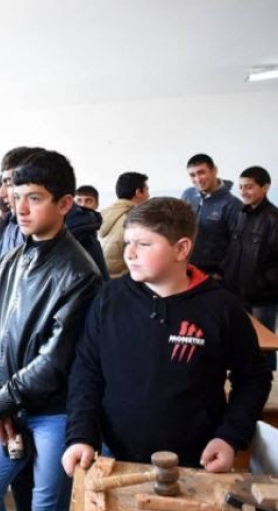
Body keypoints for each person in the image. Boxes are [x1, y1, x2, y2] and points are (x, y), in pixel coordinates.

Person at [63, 197, 271, 475]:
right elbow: (86, 369)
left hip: (196, 460)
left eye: (143, 244)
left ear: (181, 248)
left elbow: (254, 377)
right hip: (114, 453)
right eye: (128, 242)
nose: (129, 253)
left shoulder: (222, 308)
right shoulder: (109, 298)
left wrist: (230, 436)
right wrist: (80, 435)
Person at [0, 149, 102, 511]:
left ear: (65, 204)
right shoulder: (11, 258)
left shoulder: (81, 273)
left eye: (35, 198)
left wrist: (2, 400)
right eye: (17, 195)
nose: (20, 208)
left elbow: (56, 360)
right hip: (10, 403)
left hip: (55, 411)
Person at [222, 166, 278, 369]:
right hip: (238, 294)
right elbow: (233, 251)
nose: (243, 192)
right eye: (241, 187)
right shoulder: (241, 214)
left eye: (249, 187)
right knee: (241, 343)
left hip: (262, 297)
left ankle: (270, 385)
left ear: (265, 187)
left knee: (265, 347)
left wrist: (265, 283)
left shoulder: (273, 219)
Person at [181, 154, 240, 277]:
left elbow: (237, 246)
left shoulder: (232, 204)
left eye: (201, 172)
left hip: (213, 273)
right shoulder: (187, 195)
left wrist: (222, 272)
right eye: (192, 175)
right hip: (186, 267)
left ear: (214, 170)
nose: (197, 179)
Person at [99, 171, 150, 278]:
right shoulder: (135, 219)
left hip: (102, 276)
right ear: (138, 193)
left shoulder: (103, 213)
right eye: (147, 190)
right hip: (122, 278)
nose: (148, 195)